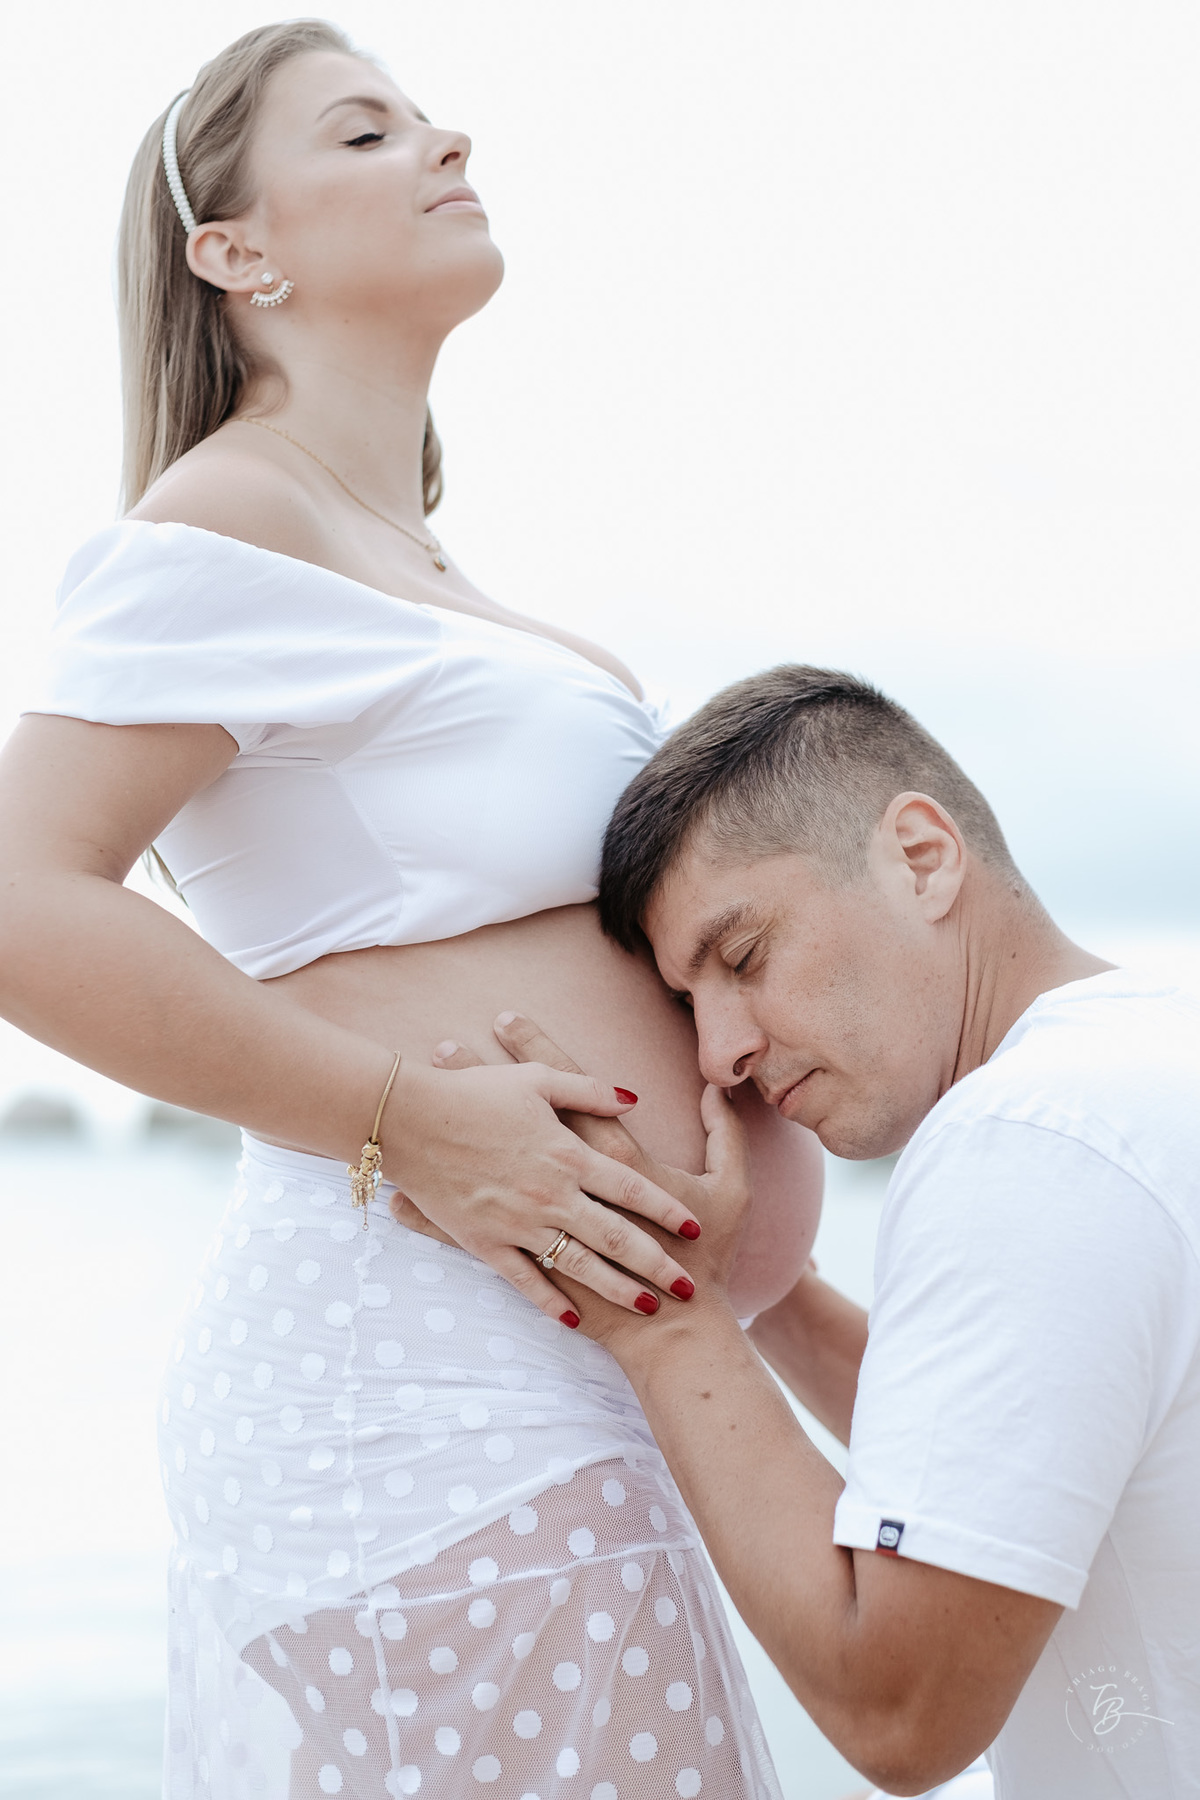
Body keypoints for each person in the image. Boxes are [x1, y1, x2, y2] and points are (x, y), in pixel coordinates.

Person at [0, 23, 825, 1800]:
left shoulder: (429, 575)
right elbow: (17, 903)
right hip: (421, 1385)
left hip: (567, 1386)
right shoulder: (228, 521)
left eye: (426, 117)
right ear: (239, 252)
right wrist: (410, 1123)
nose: (447, 139)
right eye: (369, 132)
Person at [432, 666, 1200, 1798]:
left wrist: (667, 1331)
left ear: (922, 856)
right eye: (689, 1009)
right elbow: (1004, 1459)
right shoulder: (1145, 1069)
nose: (716, 1054)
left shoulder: (1023, 1144)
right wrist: (757, 1284)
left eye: (742, 959)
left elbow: (900, 1709)